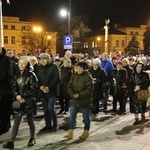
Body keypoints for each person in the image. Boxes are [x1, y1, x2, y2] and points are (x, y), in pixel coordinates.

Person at [3, 56, 38, 149]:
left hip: (29, 102)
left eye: (23, 64)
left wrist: (23, 96)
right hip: (20, 101)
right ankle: (11, 141)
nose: (21, 65)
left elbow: (33, 89)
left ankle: (32, 138)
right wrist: (17, 96)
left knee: (30, 121)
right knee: (16, 122)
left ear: (27, 64)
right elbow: (14, 87)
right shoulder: (17, 75)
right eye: (19, 63)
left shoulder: (31, 75)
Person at [64, 61, 93, 139]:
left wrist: (79, 95)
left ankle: (86, 131)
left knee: (85, 117)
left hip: (85, 100)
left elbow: (89, 89)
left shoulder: (88, 76)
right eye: (78, 68)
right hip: (74, 100)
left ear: (84, 69)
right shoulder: (74, 75)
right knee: (72, 116)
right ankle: (70, 132)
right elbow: (69, 86)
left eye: (81, 68)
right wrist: (72, 94)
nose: (79, 70)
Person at [36, 53, 60, 133]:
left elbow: (57, 78)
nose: (42, 60)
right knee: (46, 110)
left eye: (44, 59)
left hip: (52, 91)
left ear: (49, 59)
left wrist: (48, 87)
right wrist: (40, 87)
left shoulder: (54, 67)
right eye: (41, 59)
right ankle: (48, 125)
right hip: (42, 92)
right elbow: (36, 79)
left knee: (50, 108)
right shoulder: (38, 68)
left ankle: (55, 124)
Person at [0, 47, 13, 136]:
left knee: (4, 109)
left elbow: (6, 73)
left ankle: (4, 127)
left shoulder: (6, 59)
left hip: (4, 89)